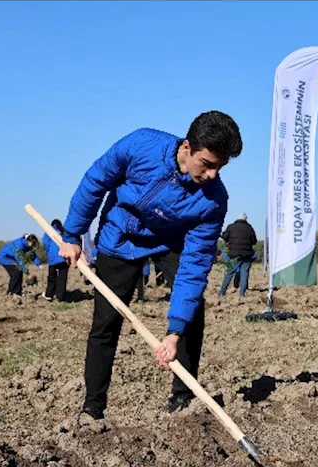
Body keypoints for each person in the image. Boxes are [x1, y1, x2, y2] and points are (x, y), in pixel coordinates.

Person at [56, 111, 243, 420]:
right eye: (207, 165)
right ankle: (93, 406)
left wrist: (174, 330)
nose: (212, 175)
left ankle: (183, 399)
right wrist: (73, 233)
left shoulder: (213, 200)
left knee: (192, 314)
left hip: (171, 241)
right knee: (106, 321)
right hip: (121, 236)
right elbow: (95, 181)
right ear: (187, 147)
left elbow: (195, 264)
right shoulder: (141, 145)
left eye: (219, 168)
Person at [218, 213, 257, 298]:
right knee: (244, 274)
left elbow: (224, 237)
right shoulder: (249, 228)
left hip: (234, 255)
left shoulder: (231, 227)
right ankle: (242, 294)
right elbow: (254, 241)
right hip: (247, 256)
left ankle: (222, 292)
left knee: (229, 273)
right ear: (245, 219)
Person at [0, 234, 42, 300]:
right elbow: (20, 260)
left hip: (11, 258)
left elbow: (32, 254)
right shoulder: (19, 245)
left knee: (19, 271)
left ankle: (17, 292)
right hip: (4, 257)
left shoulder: (27, 244)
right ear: (29, 241)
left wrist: (38, 264)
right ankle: (11, 292)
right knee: (16, 273)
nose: (33, 245)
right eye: (33, 243)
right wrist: (27, 273)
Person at [43, 220, 70, 302]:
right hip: (63, 257)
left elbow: (46, 243)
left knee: (52, 277)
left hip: (53, 258)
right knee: (62, 278)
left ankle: (49, 295)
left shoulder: (48, 231)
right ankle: (61, 297)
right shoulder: (64, 232)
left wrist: (49, 253)